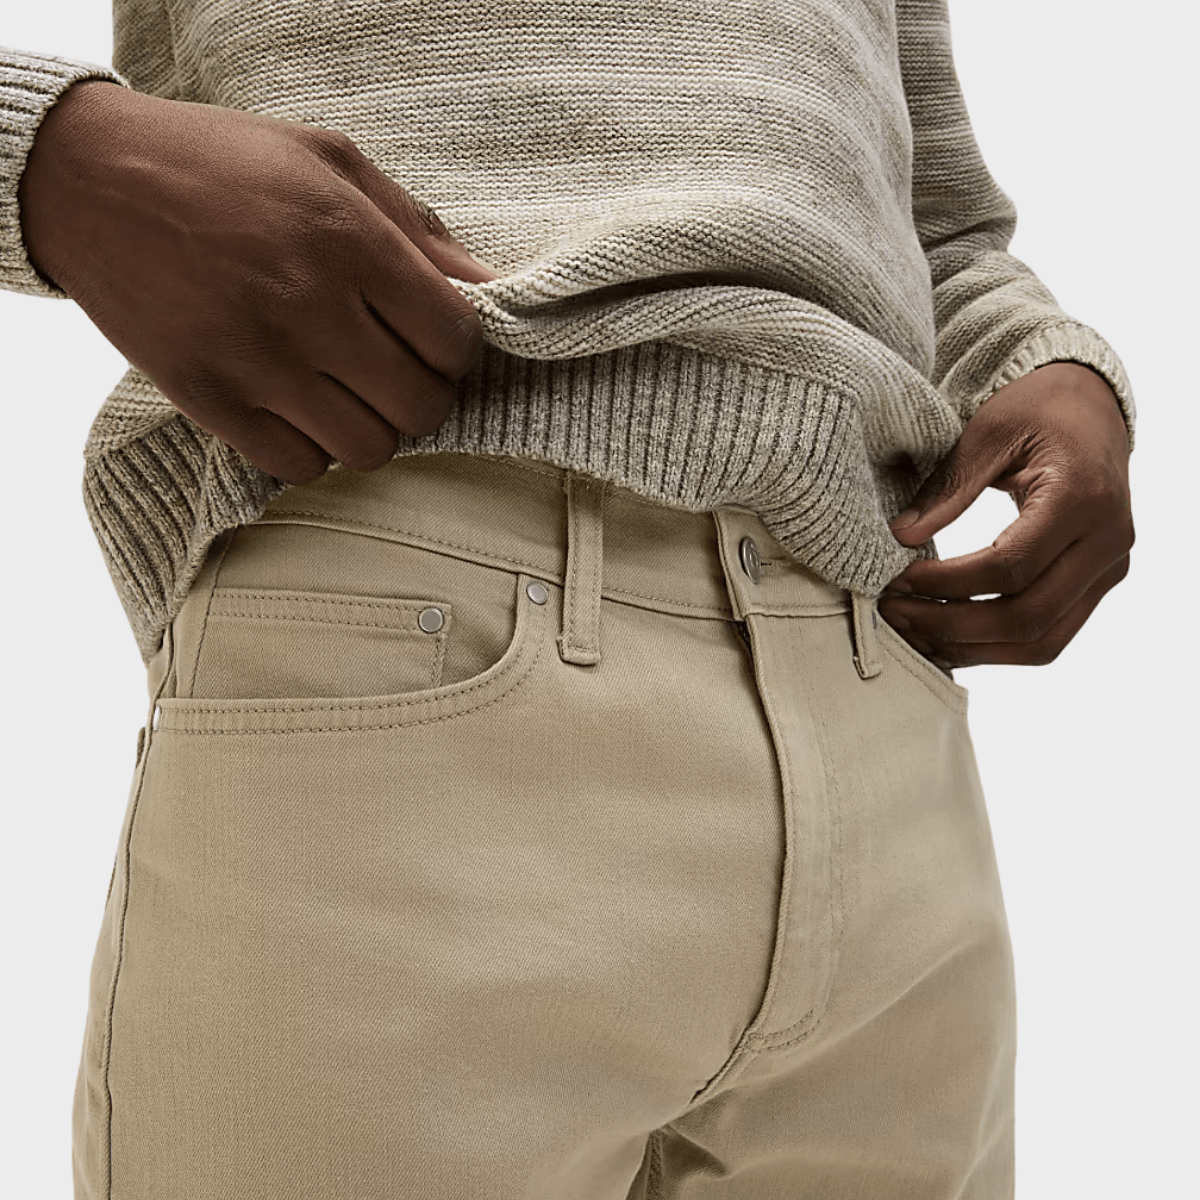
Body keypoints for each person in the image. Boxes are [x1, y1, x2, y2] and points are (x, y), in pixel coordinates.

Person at [1, 1, 1135, 1196]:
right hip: (424, 610)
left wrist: (1044, 360)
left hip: (883, 720)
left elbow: (930, 217)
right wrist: (53, 154)